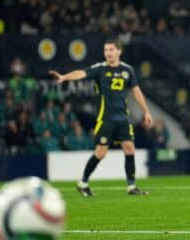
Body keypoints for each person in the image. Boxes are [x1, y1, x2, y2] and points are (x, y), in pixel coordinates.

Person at [49, 38, 153, 197]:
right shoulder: (100, 69)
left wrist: (146, 111)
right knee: (101, 153)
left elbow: (136, 92)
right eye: (106, 50)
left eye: (111, 50)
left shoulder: (128, 70)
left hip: (123, 118)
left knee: (129, 148)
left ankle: (131, 187)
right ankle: (83, 182)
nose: (108, 53)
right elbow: (81, 73)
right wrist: (64, 77)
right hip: (106, 119)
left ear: (119, 51)